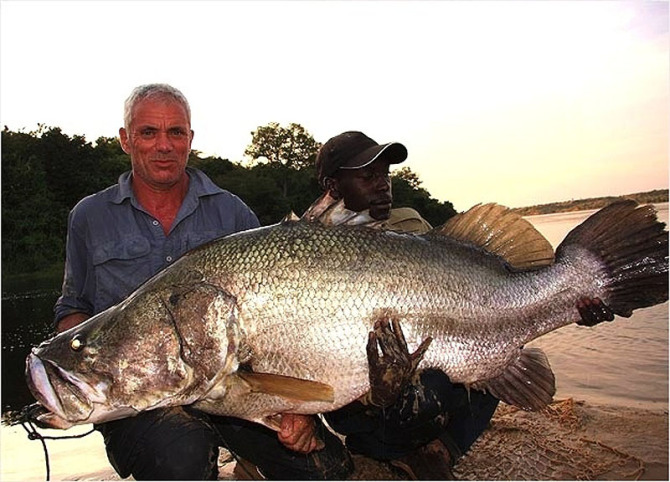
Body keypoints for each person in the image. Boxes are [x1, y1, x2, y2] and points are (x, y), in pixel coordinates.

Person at [53, 84, 353, 480]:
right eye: (148, 132)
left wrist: (293, 406)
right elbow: (73, 307)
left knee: (326, 469)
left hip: (230, 390)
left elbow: (274, 322)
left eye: (175, 132)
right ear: (126, 139)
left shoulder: (232, 212)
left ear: (190, 139)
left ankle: (247, 459)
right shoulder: (89, 217)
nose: (164, 145)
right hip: (142, 399)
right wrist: (81, 367)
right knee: (181, 454)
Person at [312, 130, 616, 479]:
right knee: (431, 389)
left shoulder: (410, 223)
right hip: (360, 397)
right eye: (368, 176)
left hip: (426, 369)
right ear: (333, 187)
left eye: (385, 174)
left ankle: (442, 450)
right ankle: (387, 450)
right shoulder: (309, 247)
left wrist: (569, 302)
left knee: (489, 361)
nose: (383, 184)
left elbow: (477, 288)